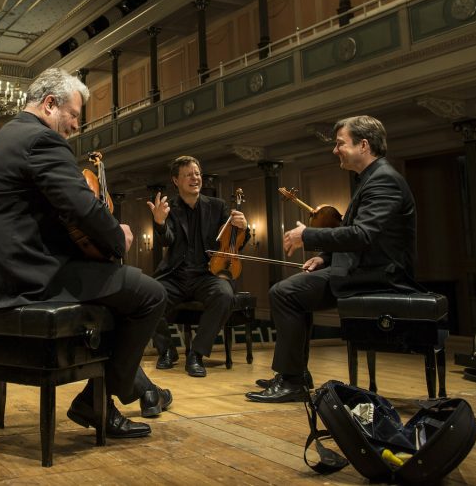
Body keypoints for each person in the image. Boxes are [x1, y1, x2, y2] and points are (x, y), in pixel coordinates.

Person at [0, 67, 172, 438]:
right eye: (74, 115)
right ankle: (101, 398)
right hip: (29, 276)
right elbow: (82, 207)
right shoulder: (41, 141)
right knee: (149, 294)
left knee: (117, 292)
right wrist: (118, 236)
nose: (75, 125)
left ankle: (116, 395)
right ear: (50, 104)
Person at [246, 115, 420, 403]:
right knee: (290, 292)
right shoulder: (372, 178)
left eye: (340, 143)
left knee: (284, 292)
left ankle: (292, 380)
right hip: (361, 268)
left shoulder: (384, 180)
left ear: (363, 145)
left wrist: (308, 236)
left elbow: (363, 235)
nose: (334, 149)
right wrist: (325, 259)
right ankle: (295, 374)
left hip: (377, 276)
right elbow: (359, 234)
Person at [146, 156, 247, 377]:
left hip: (208, 275)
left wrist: (243, 228)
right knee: (147, 296)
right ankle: (167, 351)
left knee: (224, 294)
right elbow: (168, 240)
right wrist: (160, 224)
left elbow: (233, 242)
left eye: (197, 173)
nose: (195, 178)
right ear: (176, 180)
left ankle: (196, 354)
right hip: (176, 275)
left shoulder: (218, 206)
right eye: (188, 174)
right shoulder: (168, 207)